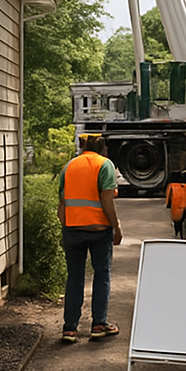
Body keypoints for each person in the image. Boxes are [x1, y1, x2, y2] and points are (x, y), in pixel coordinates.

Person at [58, 134, 123, 343]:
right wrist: (116, 227)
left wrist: (66, 226)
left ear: (82, 146)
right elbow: (107, 200)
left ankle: (70, 329)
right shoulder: (105, 165)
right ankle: (98, 325)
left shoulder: (68, 167)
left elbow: (62, 204)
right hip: (98, 230)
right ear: (102, 148)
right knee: (102, 275)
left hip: (73, 229)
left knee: (74, 278)